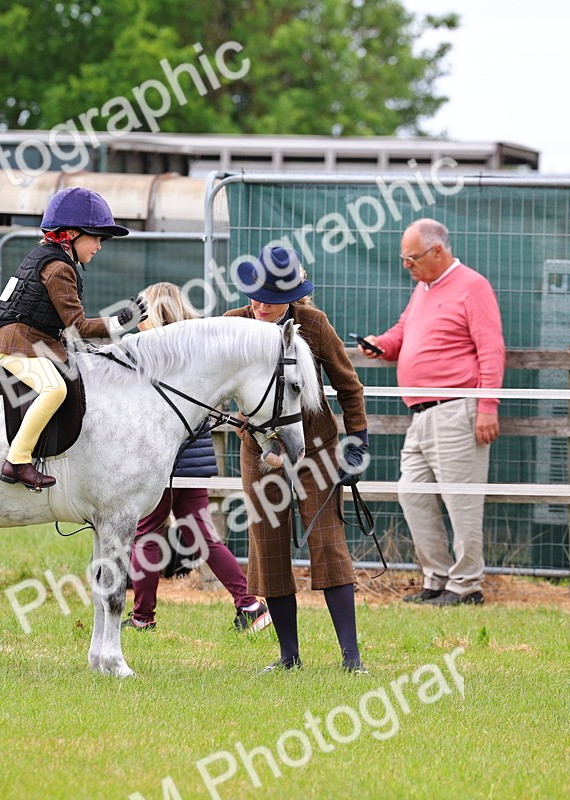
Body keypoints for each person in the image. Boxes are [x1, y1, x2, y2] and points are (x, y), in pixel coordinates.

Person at [230, 246, 370, 673]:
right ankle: (288, 657)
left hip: (317, 446)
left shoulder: (314, 324)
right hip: (258, 449)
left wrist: (358, 441)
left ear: (292, 296)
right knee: (267, 548)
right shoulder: (233, 325)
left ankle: (352, 659)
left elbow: (349, 386)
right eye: (256, 295)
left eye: (270, 299)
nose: (260, 305)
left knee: (327, 543)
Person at [360, 218, 505, 607]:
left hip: (457, 409)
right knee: (412, 494)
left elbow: (491, 351)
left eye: (412, 258)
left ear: (437, 251)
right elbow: (404, 331)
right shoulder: (424, 288)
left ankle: (466, 585)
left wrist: (487, 407)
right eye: (404, 259)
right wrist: (382, 345)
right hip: (421, 414)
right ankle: (437, 578)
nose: (406, 266)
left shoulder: (473, 286)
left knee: (462, 501)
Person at [122, 283, 271, 633]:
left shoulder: (155, 348)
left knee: (146, 534)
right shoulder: (197, 346)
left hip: (165, 459)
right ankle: (249, 604)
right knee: (202, 536)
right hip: (195, 457)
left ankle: (143, 617)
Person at [0, 187, 145, 489]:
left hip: (25, 340)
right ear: (70, 235)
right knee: (54, 390)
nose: (99, 246)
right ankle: (17, 460)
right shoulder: (57, 269)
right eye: (95, 237)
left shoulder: (52, 259)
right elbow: (78, 326)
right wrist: (121, 322)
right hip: (14, 344)